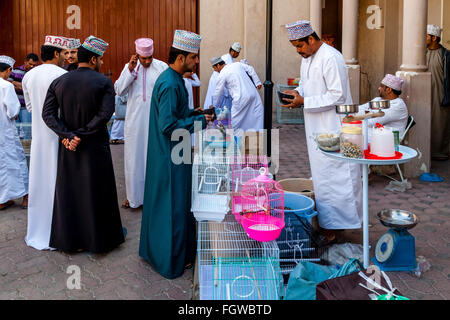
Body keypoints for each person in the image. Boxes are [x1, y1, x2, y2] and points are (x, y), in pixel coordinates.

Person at [139, 30, 213, 279]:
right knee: (173, 208)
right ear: (181, 58)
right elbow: (169, 127)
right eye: (194, 57)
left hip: (172, 153)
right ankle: (170, 261)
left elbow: (177, 115)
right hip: (171, 156)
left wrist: (195, 114)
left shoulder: (174, 79)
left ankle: (169, 253)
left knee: (168, 205)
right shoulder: (171, 84)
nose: (197, 62)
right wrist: (199, 121)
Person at [42, 36, 125, 253]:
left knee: (70, 191)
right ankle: (99, 241)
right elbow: (105, 114)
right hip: (94, 146)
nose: (102, 64)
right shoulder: (103, 82)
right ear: (95, 59)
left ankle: (71, 241)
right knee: (98, 191)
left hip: (69, 146)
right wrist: (81, 134)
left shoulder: (60, 81)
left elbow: (47, 114)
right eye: (102, 60)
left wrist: (68, 135)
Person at [282, 20, 362, 241]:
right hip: (316, 128)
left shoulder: (331, 57)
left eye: (299, 46)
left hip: (332, 126)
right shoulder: (308, 59)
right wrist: (295, 93)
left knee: (337, 178)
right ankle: (328, 224)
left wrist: (304, 101)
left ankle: (337, 228)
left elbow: (337, 95)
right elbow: (307, 86)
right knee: (322, 178)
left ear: (311, 39)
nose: (298, 51)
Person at [22, 35, 69, 250]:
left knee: (40, 180)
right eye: (63, 54)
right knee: (60, 181)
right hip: (60, 136)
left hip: (40, 138)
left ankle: (39, 230)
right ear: (57, 53)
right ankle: (61, 231)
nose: (65, 57)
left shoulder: (28, 76)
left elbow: (31, 108)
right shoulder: (63, 75)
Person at [115, 38, 168, 209]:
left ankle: (153, 198)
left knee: (153, 159)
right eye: (143, 58)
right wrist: (130, 71)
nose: (146, 62)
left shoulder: (161, 67)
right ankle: (134, 198)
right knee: (134, 160)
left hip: (155, 121)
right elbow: (119, 90)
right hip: (135, 123)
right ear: (137, 55)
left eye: (149, 58)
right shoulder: (130, 67)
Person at [0, 56, 29, 210]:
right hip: (6, 132)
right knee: (17, 162)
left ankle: (4, 198)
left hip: (3, 133)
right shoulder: (6, 86)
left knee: (4, 166)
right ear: (9, 70)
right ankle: (25, 197)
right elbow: (13, 111)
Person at [213, 55, 264, 132]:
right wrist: (257, 82)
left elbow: (218, 93)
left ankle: (235, 139)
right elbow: (250, 68)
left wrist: (214, 106)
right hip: (253, 93)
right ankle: (256, 137)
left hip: (240, 98)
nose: (216, 71)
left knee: (234, 123)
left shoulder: (222, 74)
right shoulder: (237, 64)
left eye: (216, 69)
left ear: (218, 65)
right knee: (256, 117)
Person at [426, 24, 450, 161]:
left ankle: (439, 152)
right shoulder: (421, 53)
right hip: (424, 94)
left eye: (426, 36)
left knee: (440, 123)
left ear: (434, 38)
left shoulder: (446, 55)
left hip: (440, 94)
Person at [8, 53, 39, 140]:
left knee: (27, 130)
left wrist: (15, 83)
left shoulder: (35, 73)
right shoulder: (15, 70)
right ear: (25, 62)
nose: (32, 66)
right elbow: (8, 84)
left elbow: (32, 88)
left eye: (34, 65)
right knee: (14, 130)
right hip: (15, 105)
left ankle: (27, 150)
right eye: (30, 64)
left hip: (27, 106)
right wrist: (23, 86)